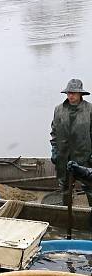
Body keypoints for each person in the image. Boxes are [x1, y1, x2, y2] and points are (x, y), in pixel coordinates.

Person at [50, 78, 92, 206]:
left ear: (80, 94)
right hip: (63, 157)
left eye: (74, 93)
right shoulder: (58, 110)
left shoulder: (90, 109)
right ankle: (66, 212)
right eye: (69, 93)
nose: (71, 95)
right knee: (64, 187)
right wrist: (54, 150)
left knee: (89, 187)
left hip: (84, 156)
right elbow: (54, 132)